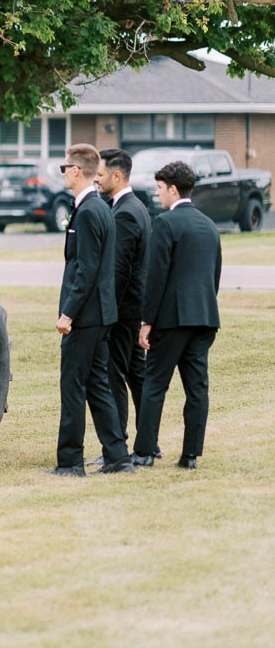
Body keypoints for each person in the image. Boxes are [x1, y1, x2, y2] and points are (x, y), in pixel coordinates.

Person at [48, 143, 133, 477]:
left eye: (64, 167)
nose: (63, 173)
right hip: (101, 313)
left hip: (86, 316)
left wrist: (68, 313)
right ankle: (118, 457)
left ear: (76, 170)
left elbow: (86, 270)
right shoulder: (99, 208)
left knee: (73, 385)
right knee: (98, 385)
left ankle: (70, 462)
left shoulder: (89, 212)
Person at [131, 160, 222, 470]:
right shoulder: (209, 226)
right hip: (204, 317)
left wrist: (147, 322)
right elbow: (215, 276)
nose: (157, 195)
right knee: (197, 389)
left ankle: (143, 452)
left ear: (172, 189)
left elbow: (155, 278)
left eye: (159, 188)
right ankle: (191, 456)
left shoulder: (166, 223)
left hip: (171, 319)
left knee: (155, 384)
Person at [97, 147, 154, 455]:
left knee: (114, 375)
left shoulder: (125, 214)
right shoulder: (137, 207)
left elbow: (118, 272)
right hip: (135, 310)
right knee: (137, 376)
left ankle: (116, 444)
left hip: (123, 311)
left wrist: (108, 312)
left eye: (101, 174)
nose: (97, 179)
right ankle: (149, 443)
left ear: (116, 175)